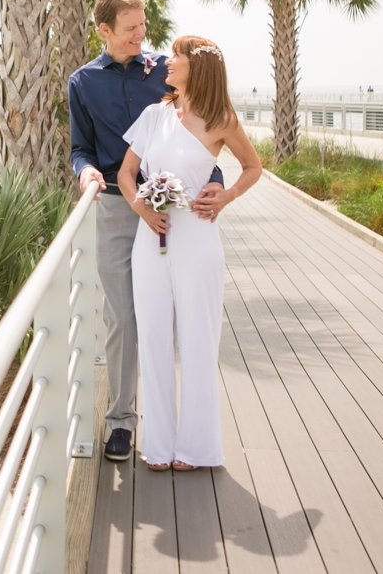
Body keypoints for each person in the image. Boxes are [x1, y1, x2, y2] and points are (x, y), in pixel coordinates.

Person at [69, 0, 229, 462]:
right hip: (119, 208)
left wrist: (216, 178)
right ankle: (121, 421)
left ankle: (185, 432)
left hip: (178, 210)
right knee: (122, 316)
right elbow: (80, 148)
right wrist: (86, 172)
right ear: (104, 31)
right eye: (131, 29)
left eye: (143, 26)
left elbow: (198, 129)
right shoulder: (82, 83)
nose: (142, 36)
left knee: (179, 318)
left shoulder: (166, 70)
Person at [119, 35, 262, 469]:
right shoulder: (152, 115)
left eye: (177, 56)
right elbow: (126, 174)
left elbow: (254, 167)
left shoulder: (221, 119)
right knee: (155, 339)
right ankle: (158, 446)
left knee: (200, 340)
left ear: (197, 68)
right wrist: (142, 208)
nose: (168, 60)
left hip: (198, 241)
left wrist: (226, 196)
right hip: (152, 240)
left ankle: (197, 448)